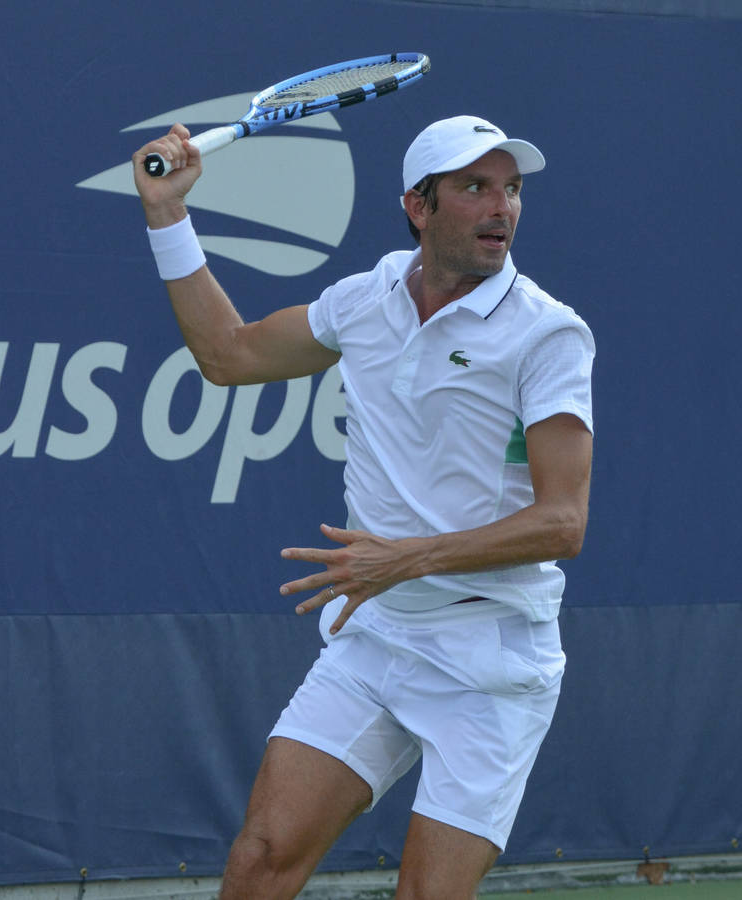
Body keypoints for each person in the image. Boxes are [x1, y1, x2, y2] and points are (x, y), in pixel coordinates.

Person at [132, 114, 595, 900]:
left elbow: (564, 523)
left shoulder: (548, 336)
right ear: (419, 206)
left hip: (492, 661)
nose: (502, 207)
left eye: (512, 188)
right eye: (475, 187)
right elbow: (227, 355)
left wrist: (404, 559)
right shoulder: (365, 299)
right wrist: (168, 213)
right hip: (377, 637)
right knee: (260, 859)